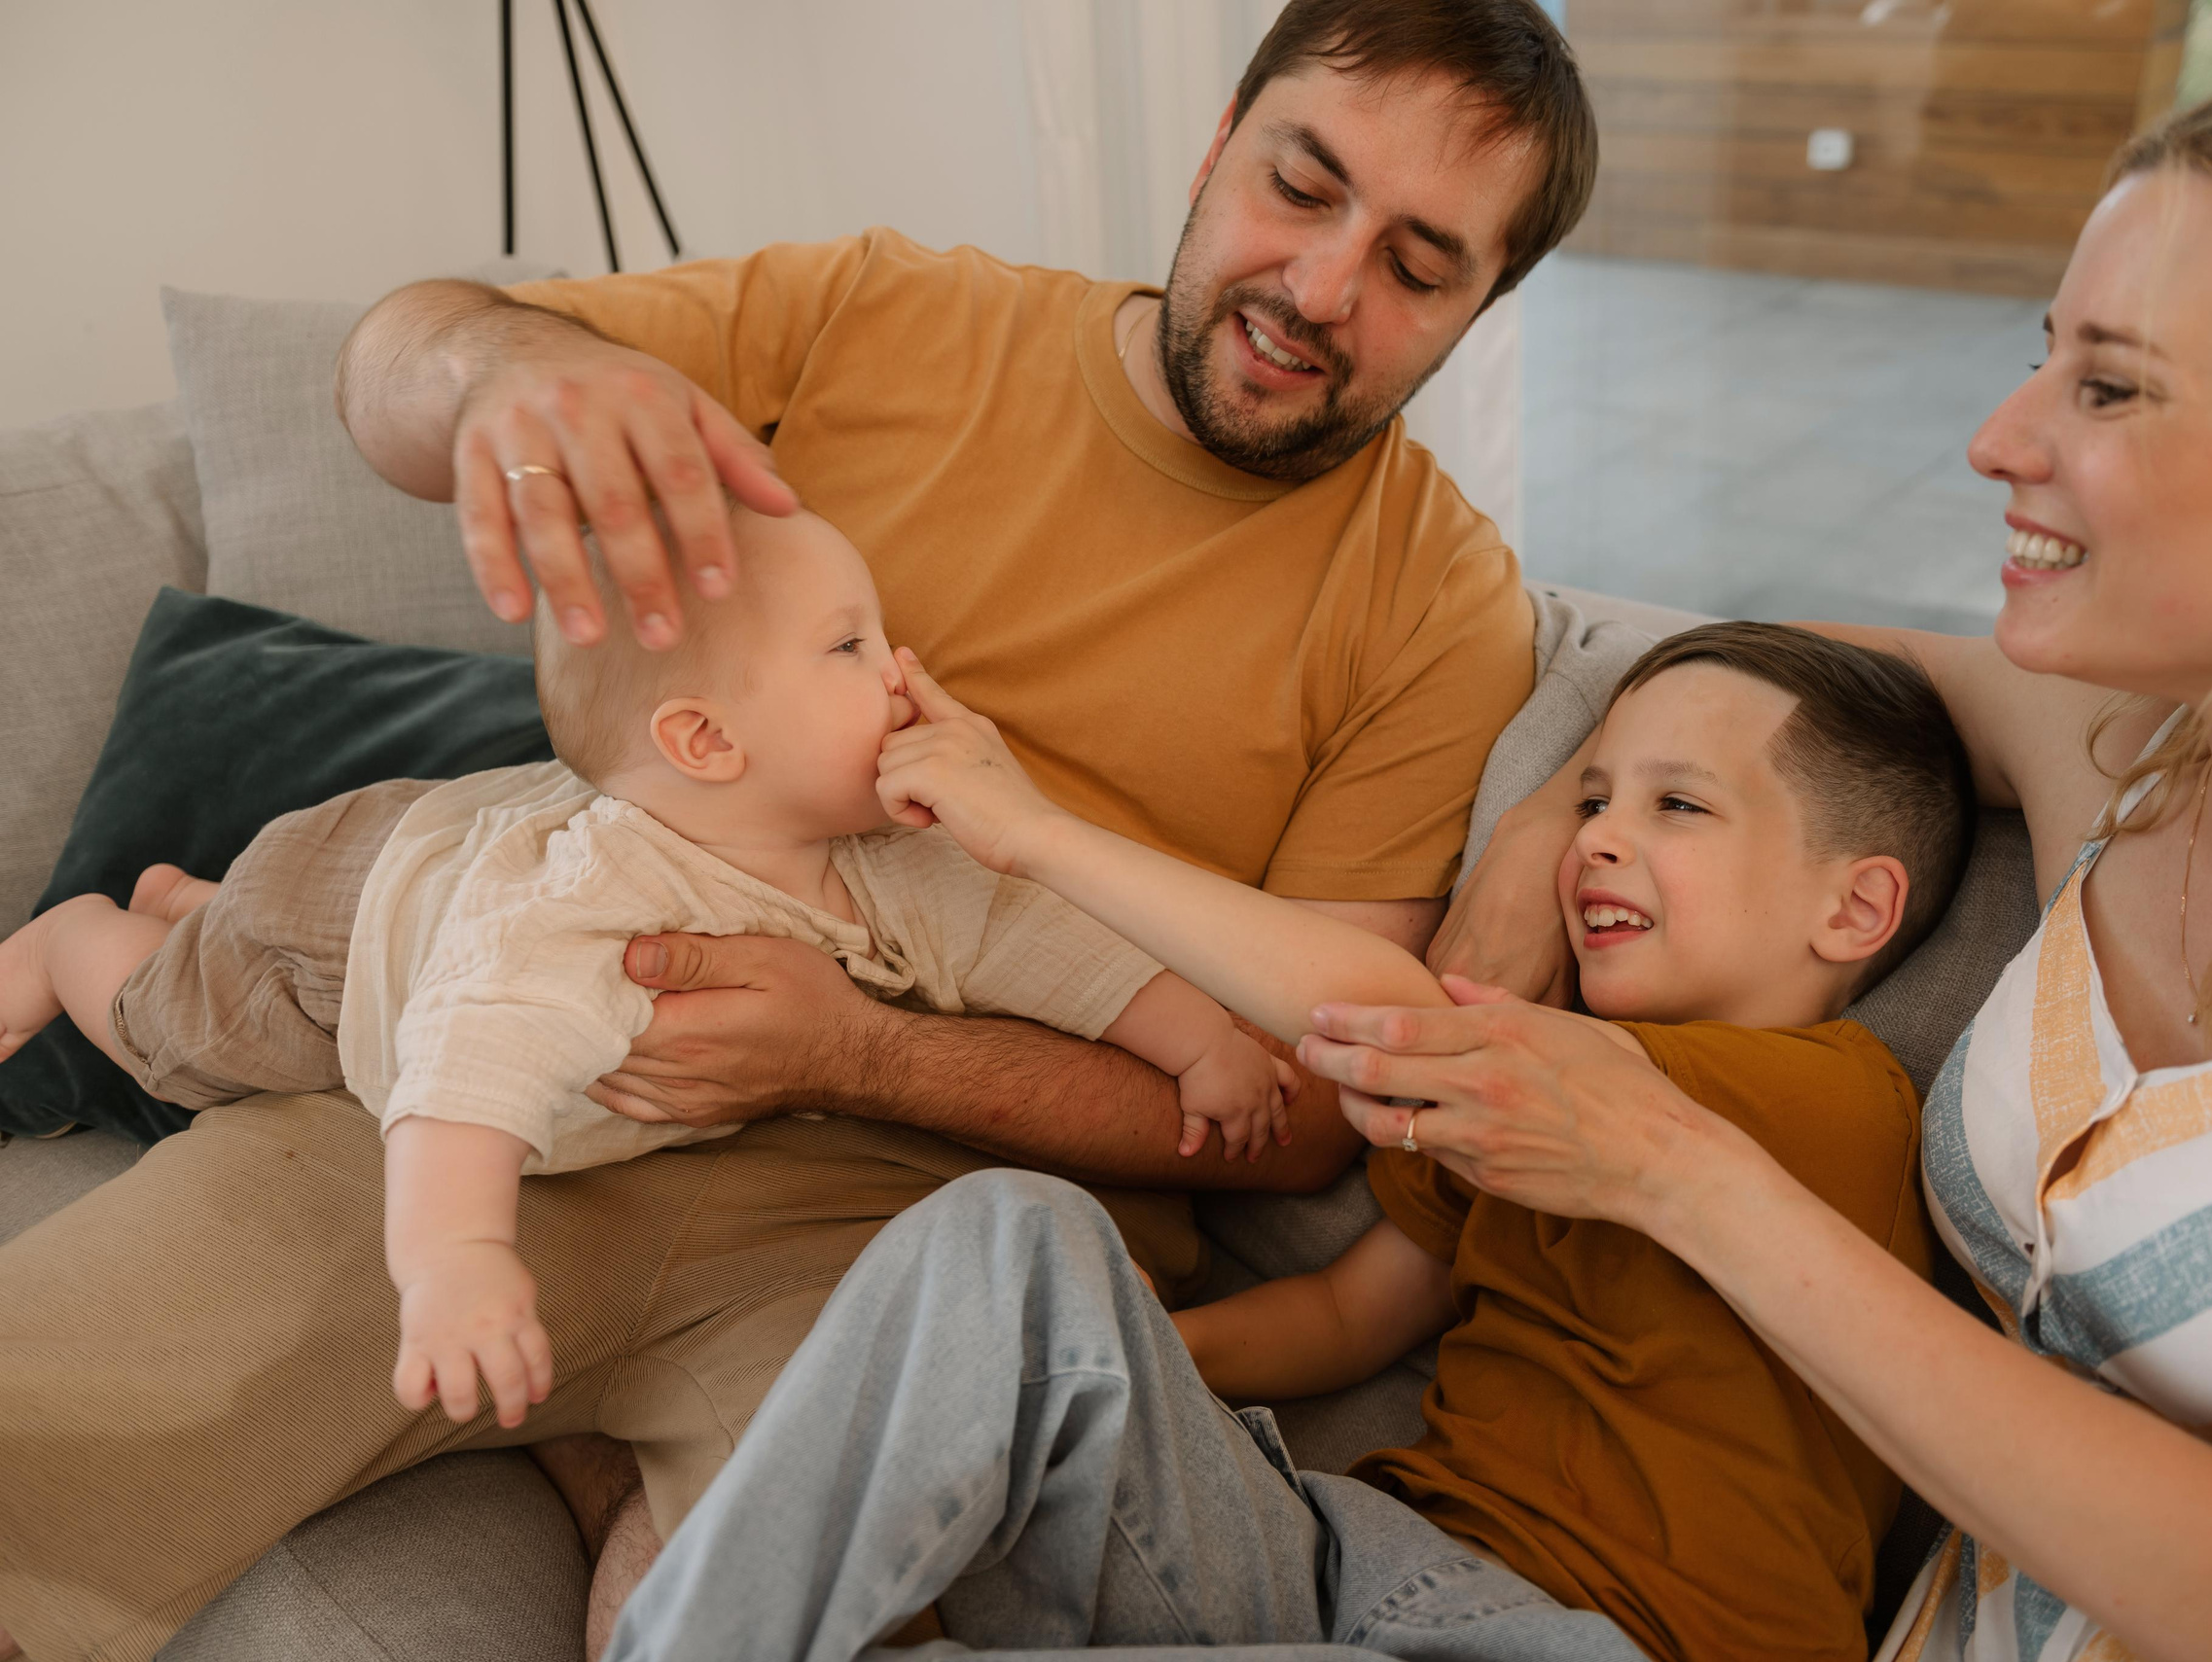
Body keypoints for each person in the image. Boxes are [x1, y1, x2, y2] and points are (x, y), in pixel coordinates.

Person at [0, 5, 1597, 1658]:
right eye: (1303, 184)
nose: (1323, 291)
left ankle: (604, 1473)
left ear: (1485, 306)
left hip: (908, 1258)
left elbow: (1305, 1118)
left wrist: (852, 1052)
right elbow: (399, 360)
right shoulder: (886, 316)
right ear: (1216, 144)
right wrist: (509, 367)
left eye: (1420, 265)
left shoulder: (1434, 603)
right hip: (521, 1091)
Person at [1328, 57, 2212, 1662]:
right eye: (2043, 357)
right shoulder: (2121, 758)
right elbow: (1762, 667)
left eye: (2112, 386)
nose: (1997, 439)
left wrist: (1673, 1163)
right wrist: (1561, 808)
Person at [592, 619, 1973, 1661]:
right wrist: (1051, 1378)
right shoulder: (1518, 1111)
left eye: (1675, 805)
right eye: (1591, 799)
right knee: (1018, 1234)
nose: (1596, 840)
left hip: (1581, 1647)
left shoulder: (1831, 1102)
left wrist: (1035, 834)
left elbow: (1387, 1021)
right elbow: (1343, 1312)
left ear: (1855, 910)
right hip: (1338, 1566)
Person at [0, 507, 1296, 1430]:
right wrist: (454, 1253)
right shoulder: (589, 917)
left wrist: (1203, 1043)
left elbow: (1049, 942)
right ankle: (77, 940)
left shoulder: (902, 858)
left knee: (240, 946)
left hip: (443, 856)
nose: (905, 672)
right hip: (351, 930)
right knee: (190, 1040)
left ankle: (195, 900)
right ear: (705, 738)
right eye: (850, 647)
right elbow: (465, 1065)